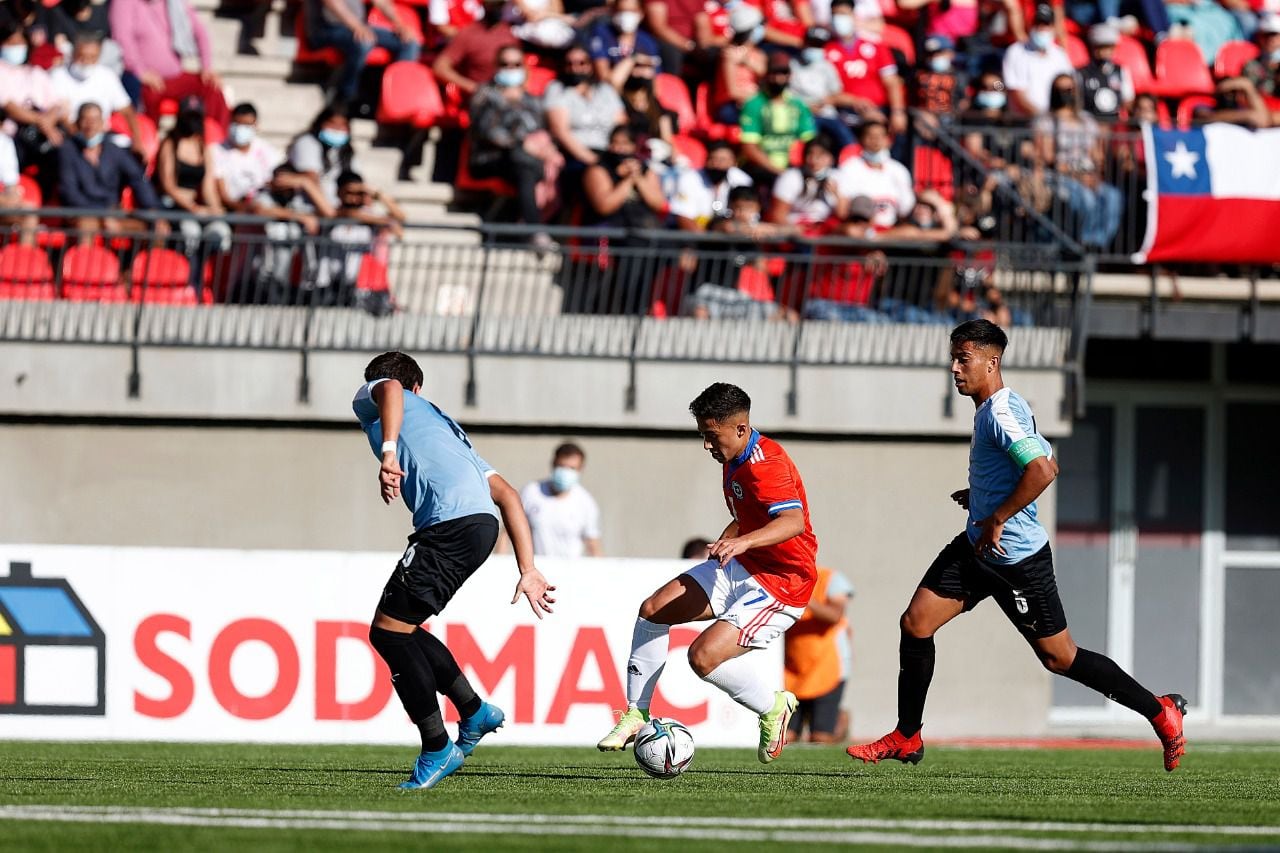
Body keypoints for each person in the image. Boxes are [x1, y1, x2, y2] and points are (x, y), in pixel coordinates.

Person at [846, 320, 1188, 772]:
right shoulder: (995, 407)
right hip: (977, 547)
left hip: (1017, 561)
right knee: (915, 623)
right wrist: (985, 500)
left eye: (962, 358)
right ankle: (907, 736)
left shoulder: (1002, 411)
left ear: (991, 361)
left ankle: (1160, 712)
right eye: (952, 357)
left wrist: (999, 516)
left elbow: (1043, 473)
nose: (953, 368)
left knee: (1060, 658)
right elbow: (1049, 463)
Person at [352, 351, 555, 790]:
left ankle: (437, 747)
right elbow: (509, 495)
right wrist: (529, 568)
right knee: (402, 630)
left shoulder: (379, 396)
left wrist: (387, 453)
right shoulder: (449, 434)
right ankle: (474, 709)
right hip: (480, 528)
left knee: (387, 634)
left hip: (449, 526)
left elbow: (389, 389)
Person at [597, 383, 816, 762]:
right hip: (743, 565)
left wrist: (744, 543)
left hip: (781, 584)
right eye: (703, 435)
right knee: (653, 609)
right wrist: (728, 539)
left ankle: (772, 706)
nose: (707, 445)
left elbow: (793, 521)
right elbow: (746, 517)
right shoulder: (735, 459)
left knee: (702, 658)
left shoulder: (767, 464)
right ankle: (636, 712)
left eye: (711, 436)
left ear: (741, 429)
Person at [468, 46, 562, 233]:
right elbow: (486, 131)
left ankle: (545, 225)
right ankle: (535, 231)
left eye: (516, 64)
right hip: (490, 158)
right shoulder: (484, 94)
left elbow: (541, 130)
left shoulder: (531, 99)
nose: (510, 69)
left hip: (526, 161)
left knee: (532, 166)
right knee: (524, 163)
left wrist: (547, 148)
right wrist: (521, 142)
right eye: (505, 64)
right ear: (496, 66)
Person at [1033, 73, 1122, 249]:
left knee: (1112, 197)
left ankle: (1096, 244)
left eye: (1070, 89)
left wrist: (1092, 175)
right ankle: (1082, 245)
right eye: (1061, 89)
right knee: (1086, 199)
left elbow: (1096, 155)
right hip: (1059, 176)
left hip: (1086, 174)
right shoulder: (1046, 121)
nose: (1066, 93)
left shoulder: (1086, 120)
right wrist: (1076, 175)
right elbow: (1048, 157)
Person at [59, 102, 170, 243]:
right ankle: (86, 265)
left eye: (95, 120)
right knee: (87, 226)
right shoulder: (68, 151)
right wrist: (102, 214)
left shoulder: (114, 151)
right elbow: (69, 193)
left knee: (156, 229)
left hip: (112, 212)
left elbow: (138, 179)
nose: (90, 125)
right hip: (83, 212)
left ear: (103, 123)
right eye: (85, 120)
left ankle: (138, 265)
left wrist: (153, 210)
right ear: (78, 123)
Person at [108, 0, 230, 127]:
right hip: (142, 78)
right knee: (147, 98)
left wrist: (206, 67)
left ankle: (219, 139)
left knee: (211, 87)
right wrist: (141, 72)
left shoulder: (175, 2)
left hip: (175, 76)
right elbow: (122, 38)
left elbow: (200, 31)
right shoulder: (123, 3)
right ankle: (148, 143)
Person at [153, 105, 232, 282]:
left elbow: (208, 186)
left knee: (220, 231)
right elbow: (168, 185)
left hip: (196, 207)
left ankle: (207, 281)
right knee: (191, 232)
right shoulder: (170, 143)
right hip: (175, 205)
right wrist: (192, 207)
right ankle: (188, 281)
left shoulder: (202, 146)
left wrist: (215, 209)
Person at [784, 565, 854, 743]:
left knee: (820, 736)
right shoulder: (780, 578)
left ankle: (839, 717)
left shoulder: (831, 579)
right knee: (786, 735)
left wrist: (804, 597)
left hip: (827, 666)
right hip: (793, 669)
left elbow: (835, 615)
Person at [50, 31, 145, 159]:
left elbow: (127, 110)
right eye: (82, 56)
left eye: (92, 57)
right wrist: (84, 142)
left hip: (103, 137)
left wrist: (137, 141)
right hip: (70, 138)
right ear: (73, 53)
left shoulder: (106, 76)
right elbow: (61, 116)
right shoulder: (58, 76)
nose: (86, 62)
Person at [306, 0, 421, 102]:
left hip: (356, 27)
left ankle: (396, 98)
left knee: (409, 42)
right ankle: (345, 96)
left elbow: (382, 2)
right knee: (363, 42)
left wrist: (400, 25)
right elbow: (332, 2)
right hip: (326, 29)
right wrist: (357, 27)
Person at [823, 0, 907, 134]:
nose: (839, 19)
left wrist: (897, 112)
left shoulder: (876, 47)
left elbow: (892, 82)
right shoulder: (825, 51)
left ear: (853, 16)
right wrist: (854, 101)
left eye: (843, 14)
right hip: (845, 113)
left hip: (880, 110)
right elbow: (826, 93)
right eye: (835, 15)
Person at [739, 50, 816, 186]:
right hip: (761, 171)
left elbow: (809, 141)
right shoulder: (754, 104)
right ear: (767, 74)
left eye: (783, 73)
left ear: (789, 75)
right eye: (774, 73)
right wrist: (779, 172)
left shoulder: (798, 105)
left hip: (793, 168)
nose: (778, 78)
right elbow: (749, 147)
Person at [544, 44, 626, 171]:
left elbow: (621, 124)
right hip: (576, 155)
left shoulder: (605, 90)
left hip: (609, 152)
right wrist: (594, 161)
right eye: (569, 63)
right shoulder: (557, 89)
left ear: (590, 65)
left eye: (581, 63)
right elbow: (560, 130)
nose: (575, 68)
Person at [519, 442, 604, 558]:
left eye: (572, 468)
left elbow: (593, 544)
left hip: (571, 572)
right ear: (553, 464)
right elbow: (508, 533)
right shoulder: (531, 492)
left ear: (581, 469)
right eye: (562, 466)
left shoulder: (586, 503)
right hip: (536, 570)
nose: (566, 472)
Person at [432, 0, 519, 100]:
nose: (496, 9)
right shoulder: (468, 34)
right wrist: (473, 88)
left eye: (499, 4)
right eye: (493, 5)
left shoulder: (509, 33)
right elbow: (440, 68)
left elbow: (523, 66)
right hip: (482, 100)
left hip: (508, 95)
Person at [837, 119, 914, 230]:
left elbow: (905, 209)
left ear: (888, 140)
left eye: (880, 136)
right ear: (861, 140)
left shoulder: (899, 170)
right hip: (860, 228)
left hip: (890, 230)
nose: (875, 140)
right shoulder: (849, 167)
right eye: (870, 136)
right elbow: (842, 210)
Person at [1002, 3, 1073, 116]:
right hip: (1024, 122)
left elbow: (1068, 87)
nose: (1042, 29)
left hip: (1054, 121)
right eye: (1038, 24)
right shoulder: (1016, 52)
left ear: (1053, 27)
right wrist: (1040, 117)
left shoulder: (1060, 54)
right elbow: (1015, 91)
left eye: (1046, 24)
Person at [768, 133, 847, 232]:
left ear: (831, 158)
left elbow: (843, 215)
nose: (814, 160)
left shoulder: (838, 177)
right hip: (794, 229)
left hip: (825, 231)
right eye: (810, 154)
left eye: (821, 155)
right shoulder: (792, 176)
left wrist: (836, 194)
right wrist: (796, 230)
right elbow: (778, 215)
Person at [669, 139, 753, 230]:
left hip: (730, 236)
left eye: (723, 160)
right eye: (713, 159)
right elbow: (683, 217)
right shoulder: (689, 178)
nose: (717, 164)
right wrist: (706, 241)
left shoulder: (742, 180)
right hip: (694, 236)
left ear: (733, 162)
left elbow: (749, 215)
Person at [289, 102, 357, 212]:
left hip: (336, 211)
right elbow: (311, 179)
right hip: (310, 209)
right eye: (332, 124)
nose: (337, 130)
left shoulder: (346, 151)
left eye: (342, 126)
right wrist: (329, 211)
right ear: (321, 123)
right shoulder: (307, 142)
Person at [586, 0, 663, 90]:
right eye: (621, 10)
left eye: (631, 11)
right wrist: (633, 59)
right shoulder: (602, 33)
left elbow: (656, 81)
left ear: (641, 13)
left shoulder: (647, 40)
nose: (626, 15)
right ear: (613, 12)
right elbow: (605, 79)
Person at [1077, 23, 1133, 120]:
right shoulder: (1082, 73)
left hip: (1114, 123)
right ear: (1093, 47)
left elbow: (1128, 99)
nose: (1105, 52)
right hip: (1090, 122)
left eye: (1109, 47)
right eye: (1101, 47)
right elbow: (1077, 102)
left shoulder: (1120, 70)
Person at [0, 132, 39, 245]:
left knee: (28, 212)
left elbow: (11, 182)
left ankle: (25, 261)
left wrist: (12, 197)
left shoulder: (4, 141)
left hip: (3, 201)